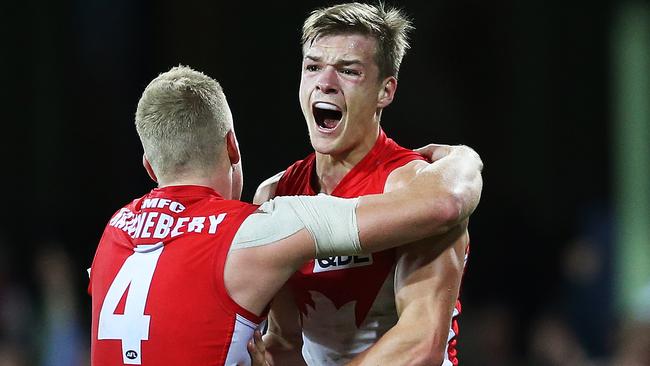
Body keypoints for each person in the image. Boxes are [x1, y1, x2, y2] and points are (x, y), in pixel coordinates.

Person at [87, 65, 483, 366]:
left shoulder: (111, 235)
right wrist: (462, 157)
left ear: (150, 168)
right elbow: (443, 203)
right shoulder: (258, 228)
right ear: (232, 148)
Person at [255, 3, 471, 365]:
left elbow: (422, 345)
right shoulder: (278, 193)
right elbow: (285, 339)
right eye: (312, 67)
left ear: (385, 92)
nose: (325, 82)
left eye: (348, 71)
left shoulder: (415, 188)